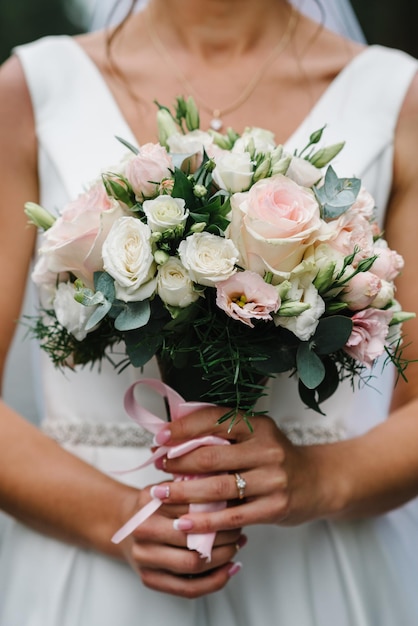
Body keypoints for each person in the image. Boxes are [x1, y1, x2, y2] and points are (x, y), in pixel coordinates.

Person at [0, 0, 417, 624]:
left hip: (317, 571)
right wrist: (115, 515)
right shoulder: (31, 91)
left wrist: (319, 478)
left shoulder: (398, 97)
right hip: (90, 574)